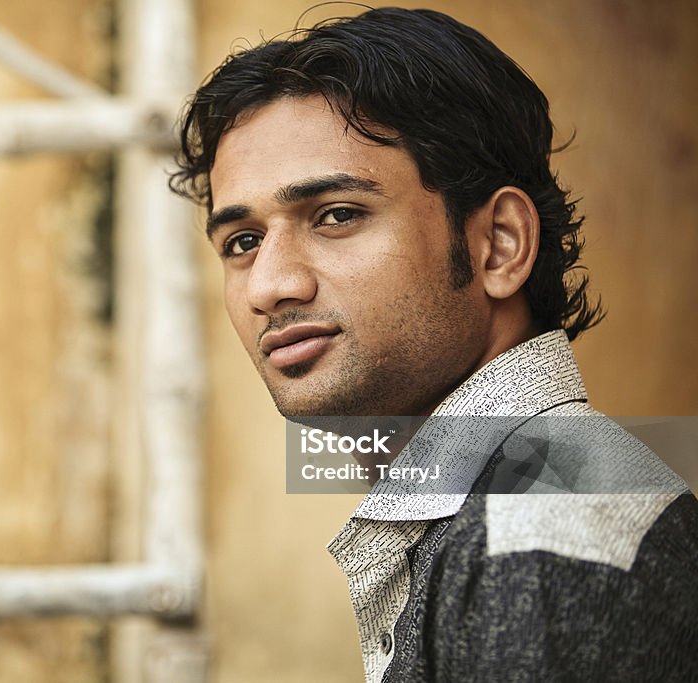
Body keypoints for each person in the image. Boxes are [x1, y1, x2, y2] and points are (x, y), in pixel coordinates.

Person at [170, 7, 698, 682]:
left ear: (499, 244)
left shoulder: (538, 537)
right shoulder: (505, 507)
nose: (269, 285)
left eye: (336, 215)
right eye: (243, 241)